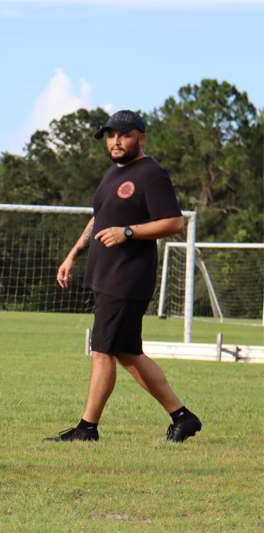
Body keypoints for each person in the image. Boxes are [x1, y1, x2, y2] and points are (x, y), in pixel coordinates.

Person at [47, 110, 202, 444]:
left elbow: (174, 222)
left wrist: (129, 232)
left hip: (126, 279)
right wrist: (73, 254)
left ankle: (87, 429)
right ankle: (182, 417)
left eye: (124, 135)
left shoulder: (151, 174)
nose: (116, 142)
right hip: (105, 276)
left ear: (140, 138)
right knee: (128, 353)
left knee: (102, 352)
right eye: (110, 135)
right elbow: (98, 220)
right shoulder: (112, 174)